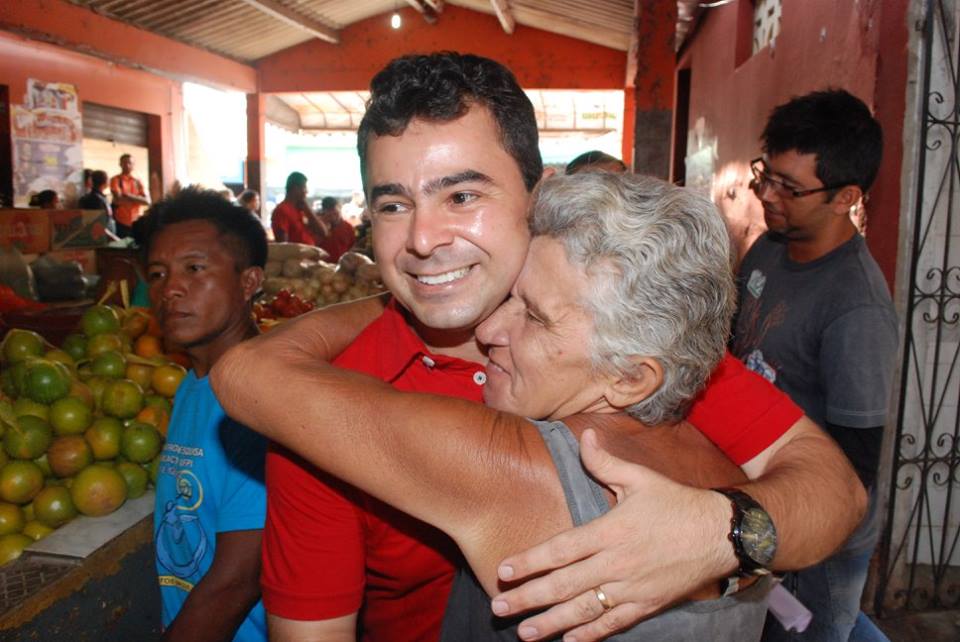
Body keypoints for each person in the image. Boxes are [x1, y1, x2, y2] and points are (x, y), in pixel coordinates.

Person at [213, 53, 865, 642]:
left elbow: (836, 492)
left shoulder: (618, 339)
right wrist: (381, 304)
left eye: (461, 195)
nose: (422, 240)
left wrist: (716, 533)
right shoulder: (325, 401)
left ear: (537, 193)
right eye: (392, 205)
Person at [214, 171, 782, 641]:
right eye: (512, 295)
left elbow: (245, 373)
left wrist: (403, 295)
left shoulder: (512, 466)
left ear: (631, 377)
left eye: (534, 316)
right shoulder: (738, 476)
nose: (489, 329)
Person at [731, 90, 898, 641]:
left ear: (845, 197)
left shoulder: (856, 308)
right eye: (766, 175)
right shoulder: (769, 248)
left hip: (820, 534)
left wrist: (799, 534)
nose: (766, 195)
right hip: (766, 505)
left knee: (816, 628)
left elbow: (856, 461)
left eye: (790, 187)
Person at [133, 188, 269, 642]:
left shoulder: (259, 401)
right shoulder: (194, 385)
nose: (169, 289)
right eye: (158, 273)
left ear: (249, 283)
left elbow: (236, 583)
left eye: (194, 268)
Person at [270, 172, 327, 245]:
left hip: (309, 251)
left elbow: (323, 232)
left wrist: (307, 210)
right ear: (295, 188)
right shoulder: (281, 210)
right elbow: (283, 245)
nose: (306, 192)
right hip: (297, 252)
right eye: (304, 187)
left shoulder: (302, 210)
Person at [110, 153, 150, 237]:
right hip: (121, 222)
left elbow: (147, 201)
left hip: (137, 221)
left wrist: (128, 195)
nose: (127, 165)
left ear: (133, 165)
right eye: (124, 163)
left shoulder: (138, 181)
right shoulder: (115, 180)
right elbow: (118, 199)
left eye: (130, 163)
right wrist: (138, 200)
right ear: (120, 164)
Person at [315, 196, 355, 262]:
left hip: (343, 265)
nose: (333, 217)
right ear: (324, 212)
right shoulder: (318, 226)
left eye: (335, 213)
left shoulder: (348, 227)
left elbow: (352, 248)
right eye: (329, 214)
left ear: (340, 208)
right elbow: (313, 245)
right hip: (322, 264)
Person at [78, 170, 116, 234]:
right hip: (100, 235)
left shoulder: (100, 197)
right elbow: (98, 222)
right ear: (105, 182)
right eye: (108, 179)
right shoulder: (96, 199)